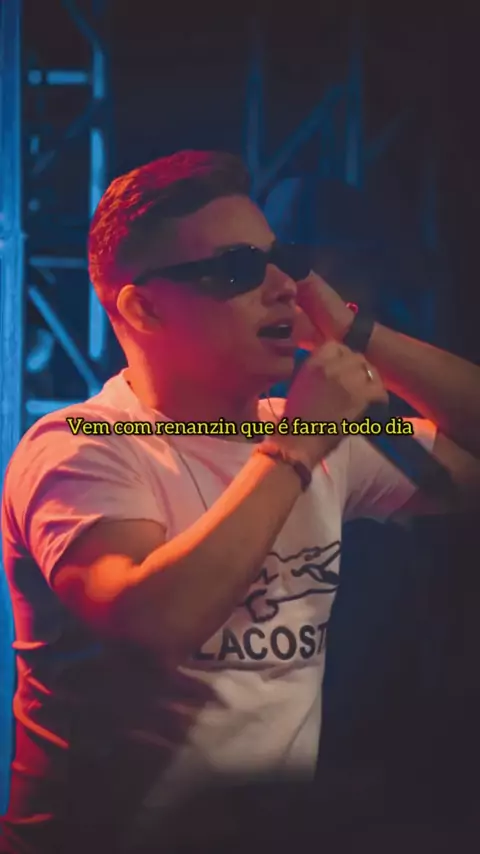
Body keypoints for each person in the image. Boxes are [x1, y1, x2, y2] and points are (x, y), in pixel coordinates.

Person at [1, 150, 479, 853]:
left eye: (284, 261)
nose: (286, 287)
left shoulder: (310, 431)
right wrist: (297, 446)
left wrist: (356, 333)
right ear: (143, 307)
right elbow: (153, 623)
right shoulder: (82, 446)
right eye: (239, 269)